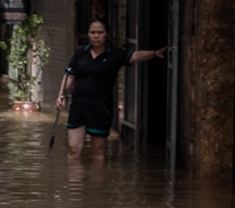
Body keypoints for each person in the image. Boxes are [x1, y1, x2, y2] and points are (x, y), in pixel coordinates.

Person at [58, 20, 165, 158]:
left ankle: (99, 178)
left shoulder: (115, 54)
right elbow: (69, 76)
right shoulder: (80, 53)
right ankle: (73, 179)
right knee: (72, 149)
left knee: (98, 151)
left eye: (100, 32)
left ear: (107, 35)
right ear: (88, 34)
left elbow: (135, 56)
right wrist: (61, 95)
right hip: (78, 105)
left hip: (101, 108)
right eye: (92, 32)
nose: (96, 36)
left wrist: (154, 53)